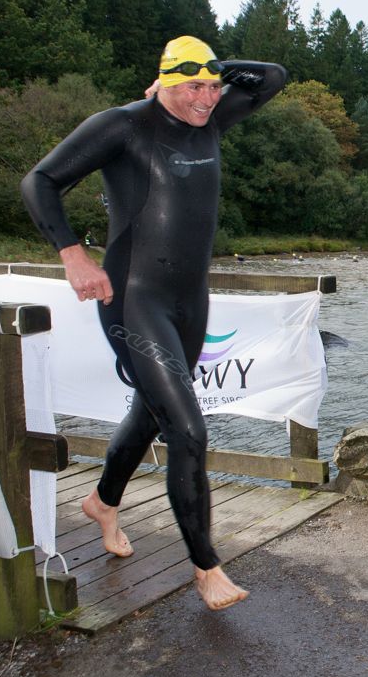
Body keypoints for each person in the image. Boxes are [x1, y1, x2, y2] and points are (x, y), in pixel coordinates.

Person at [21, 36, 286, 610]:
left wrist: (213, 73)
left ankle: (102, 501)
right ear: (163, 80)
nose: (208, 98)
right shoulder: (122, 125)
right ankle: (206, 568)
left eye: (215, 87)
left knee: (150, 412)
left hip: (190, 302)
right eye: (193, 86)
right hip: (134, 299)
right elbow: (39, 181)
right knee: (187, 431)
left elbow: (272, 76)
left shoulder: (212, 116)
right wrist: (73, 255)